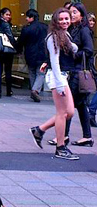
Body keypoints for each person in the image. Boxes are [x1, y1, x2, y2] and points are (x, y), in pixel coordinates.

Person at [30, 8, 79, 160]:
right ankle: (60, 147)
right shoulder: (53, 37)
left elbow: (73, 49)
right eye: (61, 19)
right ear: (56, 21)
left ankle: (40, 130)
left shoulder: (65, 34)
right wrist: (59, 84)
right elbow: (55, 62)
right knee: (62, 114)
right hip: (58, 77)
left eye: (67, 19)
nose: (64, 21)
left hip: (62, 76)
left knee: (69, 112)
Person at [63, 2, 94, 147]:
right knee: (80, 106)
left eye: (75, 12)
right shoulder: (73, 29)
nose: (72, 14)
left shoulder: (84, 31)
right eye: (70, 12)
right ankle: (87, 136)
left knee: (68, 105)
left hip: (79, 72)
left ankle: (63, 136)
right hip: (74, 70)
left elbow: (88, 50)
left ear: (82, 15)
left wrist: (74, 55)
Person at [16, 9, 48, 102]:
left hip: (30, 54)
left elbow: (21, 41)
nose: (26, 18)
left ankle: (34, 90)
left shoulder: (26, 29)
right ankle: (35, 90)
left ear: (32, 17)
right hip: (43, 54)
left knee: (32, 72)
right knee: (41, 73)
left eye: (27, 17)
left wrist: (18, 50)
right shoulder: (45, 27)